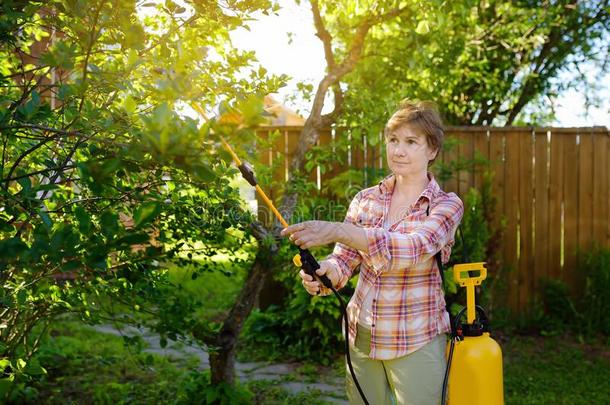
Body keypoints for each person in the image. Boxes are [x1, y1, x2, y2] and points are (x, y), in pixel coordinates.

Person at [280, 100, 464, 405]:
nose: (398, 150)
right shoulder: (366, 200)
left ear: (432, 150)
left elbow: (414, 248)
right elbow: (344, 259)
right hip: (361, 337)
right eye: (393, 140)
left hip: (415, 339)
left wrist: (340, 230)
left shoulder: (445, 205)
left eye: (410, 142)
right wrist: (325, 273)